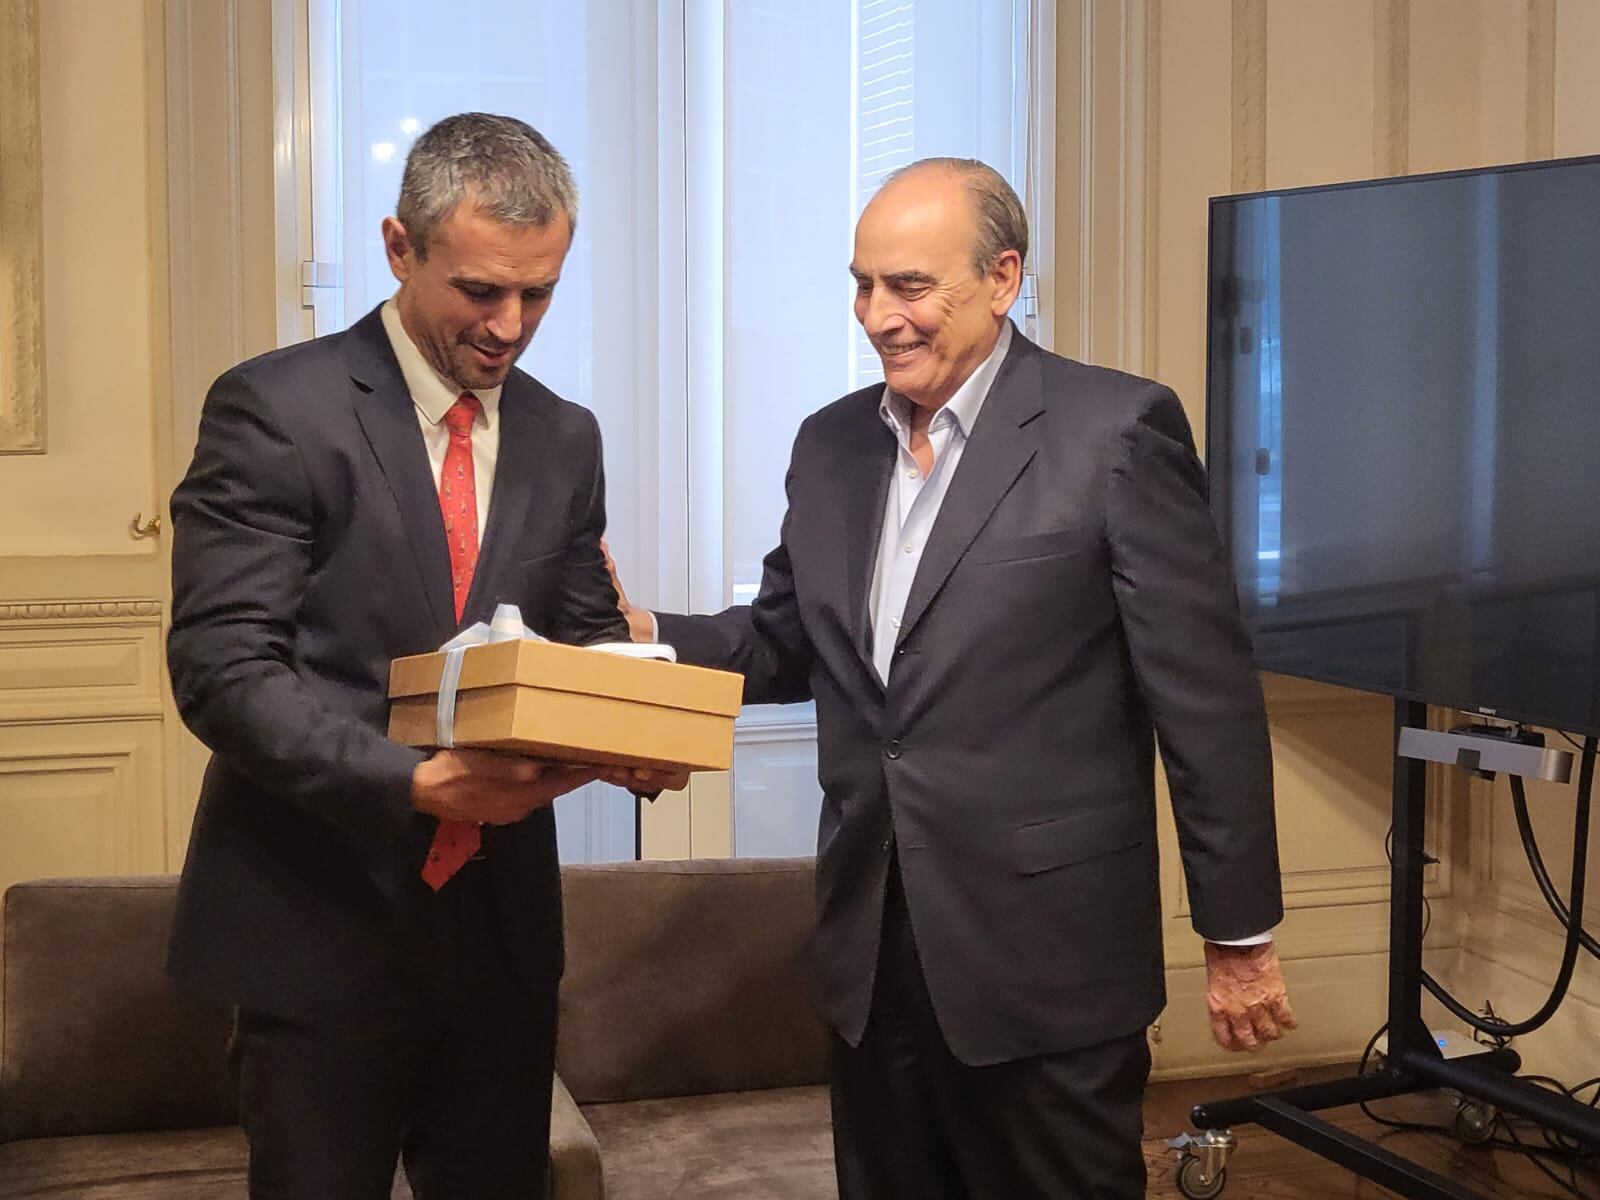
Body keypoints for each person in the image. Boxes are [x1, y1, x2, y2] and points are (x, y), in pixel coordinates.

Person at [608, 157, 1294, 1199]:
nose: (878, 315)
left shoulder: (1113, 432)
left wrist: (1236, 934)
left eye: (909, 286)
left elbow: (1202, 699)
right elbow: (791, 641)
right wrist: (645, 631)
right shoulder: (831, 445)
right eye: (862, 284)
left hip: (1049, 967)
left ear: (1002, 277)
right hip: (870, 961)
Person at [166, 112, 679, 1199]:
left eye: (537, 294)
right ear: (401, 247)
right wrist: (414, 783)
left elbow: (581, 638)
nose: (509, 326)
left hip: (499, 943)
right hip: (317, 924)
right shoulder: (275, 407)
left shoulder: (564, 434)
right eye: (480, 291)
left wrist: (635, 728)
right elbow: (224, 670)